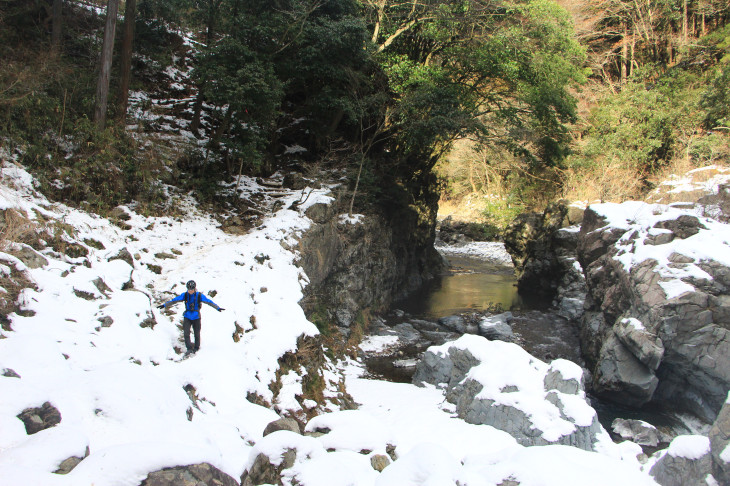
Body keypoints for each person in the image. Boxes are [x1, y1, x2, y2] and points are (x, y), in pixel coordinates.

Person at [158, 280, 224, 356]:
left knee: (197, 333)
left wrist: (218, 308)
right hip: (187, 316)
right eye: (189, 289)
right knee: (186, 333)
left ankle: (196, 348)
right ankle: (189, 348)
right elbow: (175, 300)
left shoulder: (199, 296)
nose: (190, 291)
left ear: (194, 288)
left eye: (192, 289)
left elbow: (209, 302)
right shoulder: (185, 295)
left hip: (196, 317)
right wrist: (164, 305)